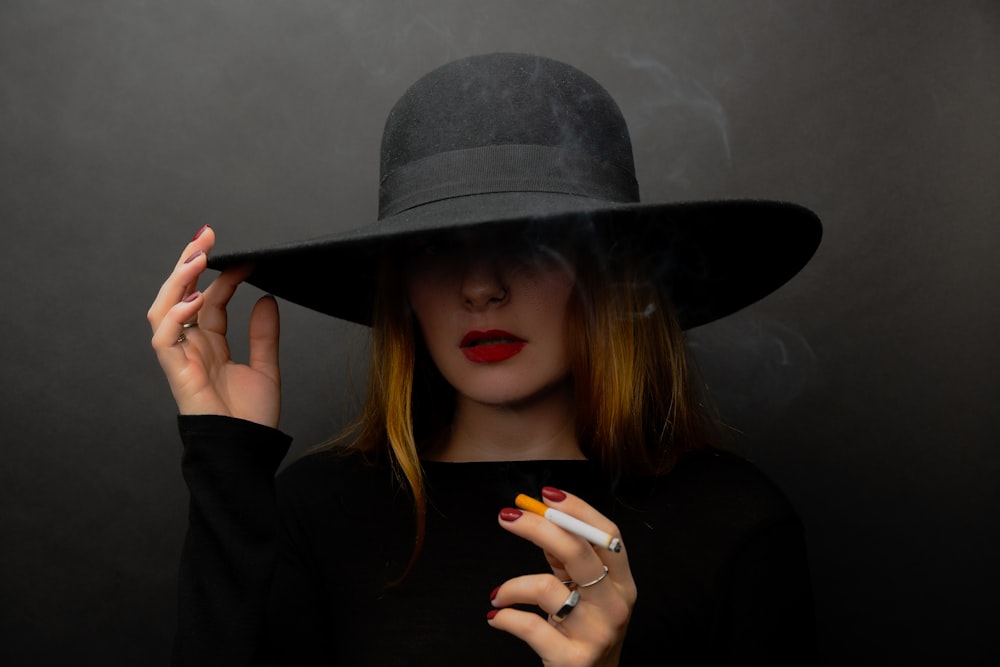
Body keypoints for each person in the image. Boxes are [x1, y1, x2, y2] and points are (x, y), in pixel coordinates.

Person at [148, 52, 821, 666]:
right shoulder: (316, 512)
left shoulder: (737, 522)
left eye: (528, 242)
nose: (480, 287)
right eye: (438, 249)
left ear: (611, 268)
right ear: (403, 287)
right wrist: (228, 466)